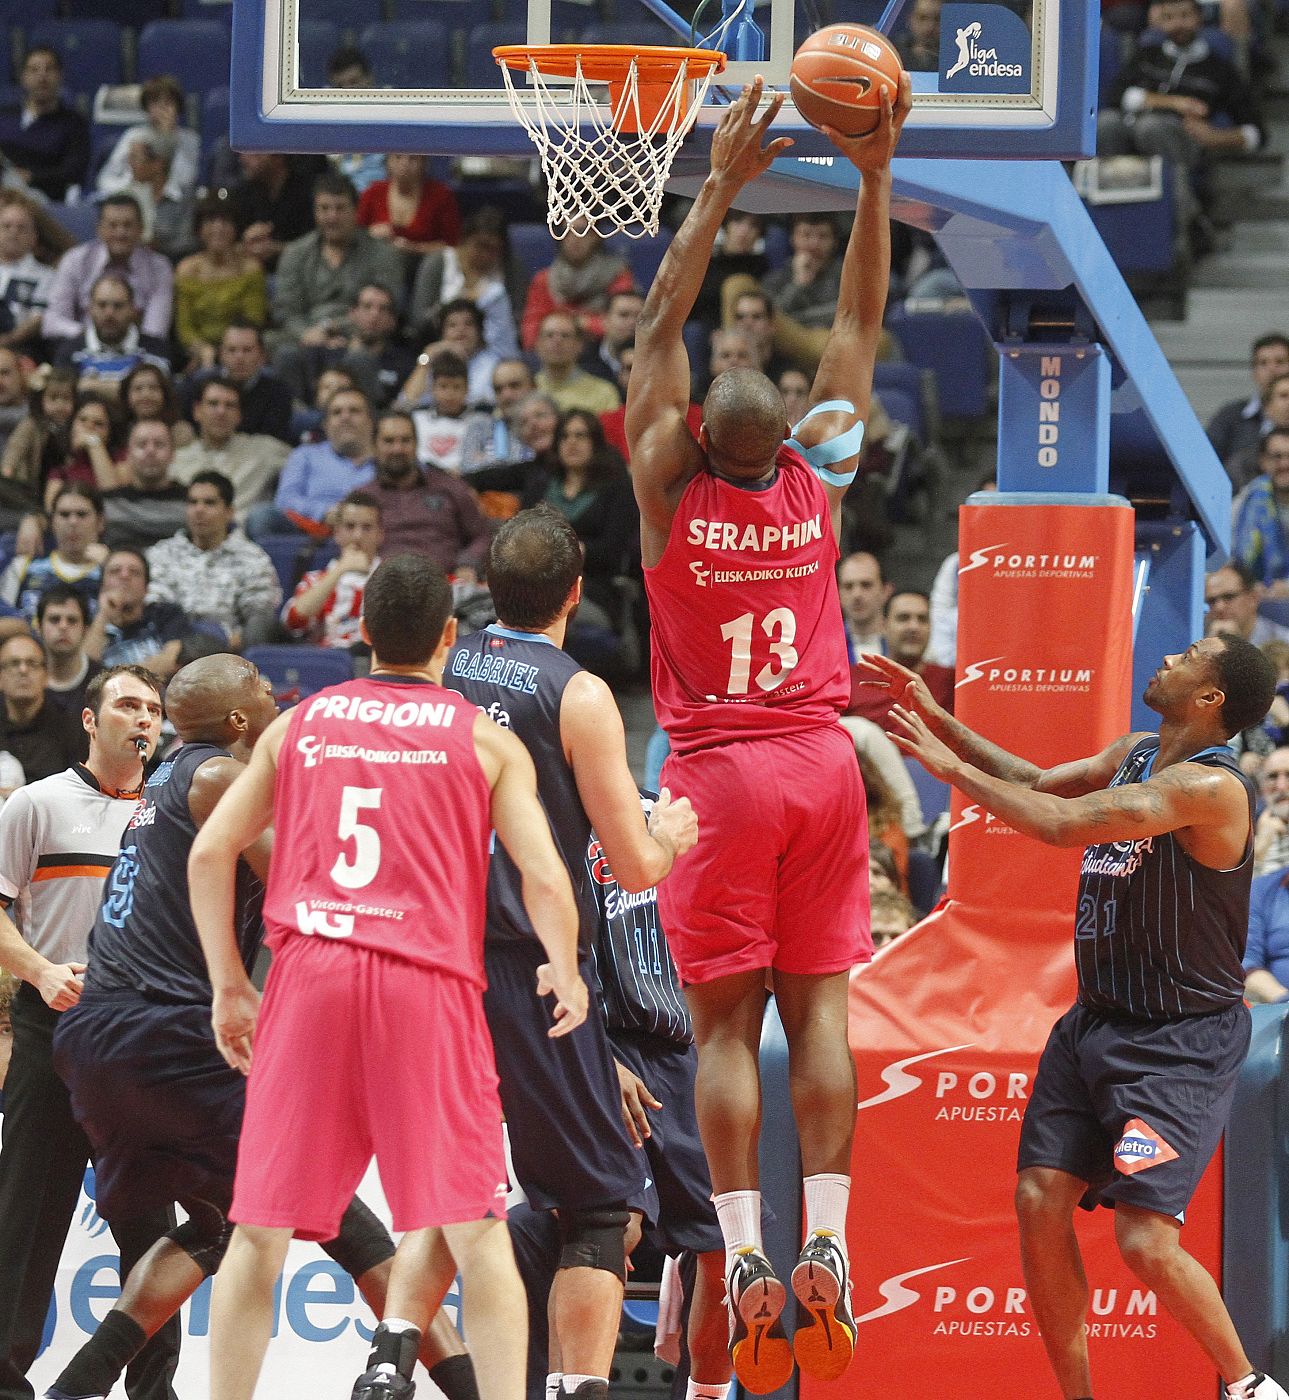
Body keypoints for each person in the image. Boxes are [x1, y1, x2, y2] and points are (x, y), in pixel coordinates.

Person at [624, 76, 910, 1391]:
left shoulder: (666, 493)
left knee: (725, 1035)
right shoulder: (817, 480)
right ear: (782, 437)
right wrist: (872, 174)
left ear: (692, 438)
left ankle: (743, 1251)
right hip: (821, 766)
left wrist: (718, 188)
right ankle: (829, 1238)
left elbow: (656, 326)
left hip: (717, 779)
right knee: (823, 1016)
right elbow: (859, 318)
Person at [188, 553, 590, 1400]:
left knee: (257, 1231)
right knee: (476, 1229)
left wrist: (229, 983)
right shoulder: (485, 740)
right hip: (425, 984)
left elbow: (211, 851)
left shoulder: (296, 725)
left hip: (309, 977)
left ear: (362, 630)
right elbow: (545, 876)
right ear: (448, 636)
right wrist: (563, 966)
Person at [46, 654, 481, 1400]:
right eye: (260, 684)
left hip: (102, 1043)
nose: (277, 694)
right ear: (240, 719)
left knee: (215, 1225)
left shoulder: (169, 782)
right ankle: (451, 1385)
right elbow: (316, 889)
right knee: (343, 1216)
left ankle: (69, 1391)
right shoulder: (219, 778)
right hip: (165, 1038)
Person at [875, 634, 1289, 1400]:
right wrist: (941, 719)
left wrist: (952, 773)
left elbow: (1064, 826)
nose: (1169, 658)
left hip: (1176, 1043)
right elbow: (1038, 783)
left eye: (1190, 656)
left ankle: (1247, 1384)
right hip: (1093, 1023)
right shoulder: (1136, 751)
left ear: (1210, 699)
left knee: (1143, 1241)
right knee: (1037, 1198)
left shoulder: (1211, 790)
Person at [443, 507, 698, 1400]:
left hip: (434, 958)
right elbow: (632, 865)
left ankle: (398, 1353)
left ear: (488, 588)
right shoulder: (577, 694)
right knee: (599, 1206)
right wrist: (670, 836)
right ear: (577, 594)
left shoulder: (448, 662)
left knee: (457, 1197)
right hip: (530, 966)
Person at [0, 665, 179, 1400]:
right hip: (53, 1027)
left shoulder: (173, 815)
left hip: (139, 1039)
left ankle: (154, 1391)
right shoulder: (35, 804)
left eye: (154, 710)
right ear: (89, 719)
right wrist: (41, 972)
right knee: (26, 1221)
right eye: (127, 706)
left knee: (153, 1228)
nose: (143, 720)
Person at [270, 172, 404, 353]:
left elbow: (387, 310)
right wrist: (307, 334)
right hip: (306, 337)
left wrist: (331, 328)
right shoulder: (295, 253)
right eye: (324, 208)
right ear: (315, 212)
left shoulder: (383, 253)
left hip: (364, 337)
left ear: (356, 211)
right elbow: (286, 312)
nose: (332, 217)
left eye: (340, 208)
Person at [146, 471, 281, 649]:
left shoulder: (253, 557)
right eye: (193, 502)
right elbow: (155, 608)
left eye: (209, 503)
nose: (199, 510)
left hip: (231, 652)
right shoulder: (161, 554)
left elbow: (259, 619)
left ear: (229, 512)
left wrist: (220, 647)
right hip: (170, 648)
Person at [366, 410, 491, 576]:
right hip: (383, 584)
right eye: (389, 441)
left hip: (447, 583)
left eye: (405, 440)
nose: (398, 448)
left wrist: (468, 564)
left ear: (416, 444)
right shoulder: (364, 498)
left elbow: (482, 536)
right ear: (374, 446)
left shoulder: (451, 487)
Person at [42, 195, 173, 346]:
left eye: (128, 225)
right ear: (99, 229)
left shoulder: (159, 268)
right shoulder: (75, 260)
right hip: (81, 346)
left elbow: (155, 331)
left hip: (138, 350)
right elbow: (52, 323)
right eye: (113, 225)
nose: (120, 233)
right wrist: (94, 338)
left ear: (141, 229)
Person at [251, 385, 375, 538]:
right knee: (262, 517)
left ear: (370, 421)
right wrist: (324, 511)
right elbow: (285, 500)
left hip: (373, 532)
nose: (345, 417)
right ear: (326, 425)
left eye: (354, 411)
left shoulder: (387, 459)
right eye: (337, 412)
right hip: (311, 533)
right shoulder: (305, 455)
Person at [170, 378, 288, 521]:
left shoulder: (266, 449)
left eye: (230, 405)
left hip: (245, 531)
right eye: (213, 404)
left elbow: (308, 462)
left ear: (239, 415)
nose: (221, 412)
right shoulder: (175, 458)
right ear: (197, 411)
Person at [173, 199, 268, 372]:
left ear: (236, 228)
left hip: (241, 349)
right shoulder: (186, 270)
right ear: (199, 228)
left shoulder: (251, 269)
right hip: (198, 352)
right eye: (210, 221)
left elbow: (253, 319)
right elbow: (185, 328)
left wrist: (227, 351)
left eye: (226, 221)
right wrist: (203, 350)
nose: (218, 228)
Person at [282, 489, 382, 648]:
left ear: (380, 534)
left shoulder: (393, 579)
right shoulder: (315, 579)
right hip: (329, 657)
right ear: (337, 533)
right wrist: (341, 569)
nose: (357, 535)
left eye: (367, 527)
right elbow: (294, 621)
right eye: (350, 526)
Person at [845, 588, 954, 725]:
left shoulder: (951, 682)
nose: (914, 627)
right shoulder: (851, 681)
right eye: (903, 618)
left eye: (922, 619)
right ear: (883, 625)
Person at [51, 274, 172, 395]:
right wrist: (132, 389)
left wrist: (88, 385)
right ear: (90, 309)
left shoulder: (155, 349)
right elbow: (63, 395)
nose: (109, 313)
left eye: (118, 306)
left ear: (133, 310)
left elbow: (159, 395)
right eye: (102, 305)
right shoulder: (69, 351)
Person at [0, 482, 105, 621]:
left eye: (81, 514)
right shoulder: (23, 566)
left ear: (100, 522)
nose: (73, 522)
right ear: (52, 522)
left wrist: (108, 566)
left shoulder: (114, 573)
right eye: (64, 514)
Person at [520, 229, 635, 352]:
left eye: (582, 230)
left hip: (606, 352)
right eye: (567, 231)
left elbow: (623, 325)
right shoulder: (544, 279)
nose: (575, 238)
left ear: (596, 235)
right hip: (557, 353)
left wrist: (585, 323)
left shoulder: (617, 274)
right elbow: (530, 332)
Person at [96, 76, 200, 211]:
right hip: (133, 202)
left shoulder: (190, 139)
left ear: (178, 107)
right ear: (147, 107)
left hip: (173, 206)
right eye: (155, 102)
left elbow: (186, 181)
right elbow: (104, 180)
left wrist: (168, 136)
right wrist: (131, 188)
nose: (162, 108)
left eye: (168, 102)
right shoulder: (134, 136)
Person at [84, 548, 191, 678]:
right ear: (102, 585)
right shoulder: (85, 619)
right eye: (115, 571)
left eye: (134, 572)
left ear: (146, 588)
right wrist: (103, 616)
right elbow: (84, 671)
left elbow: (169, 661)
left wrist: (114, 679)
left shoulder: (167, 614)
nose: (124, 576)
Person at [0, 47, 89, 202]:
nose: (42, 76)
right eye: (34, 70)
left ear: (60, 75)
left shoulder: (73, 123)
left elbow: (74, 171)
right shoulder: (5, 116)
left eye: (49, 69)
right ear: (23, 77)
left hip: (45, 201)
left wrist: (32, 177)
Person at [183, 321, 293, 445]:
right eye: (232, 350)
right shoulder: (197, 386)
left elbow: (273, 441)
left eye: (247, 350)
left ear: (262, 355)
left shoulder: (278, 392)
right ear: (221, 354)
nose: (239, 357)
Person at [1206, 333, 1289, 488]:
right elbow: (1207, 462)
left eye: (1280, 361)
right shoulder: (1230, 416)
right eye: (1263, 363)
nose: (1272, 369)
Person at [0, 632, 85, 783]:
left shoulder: (72, 728)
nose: (23, 670)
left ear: (46, 675)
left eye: (32, 663)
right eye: (14, 663)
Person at [101, 419, 189, 552]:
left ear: (173, 454)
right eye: (141, 445)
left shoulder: (192, 502)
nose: (150, 451)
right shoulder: (107, 503)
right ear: (128, 454)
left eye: (159, 445)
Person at [357, 152, 461, 258]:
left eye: (413, 158)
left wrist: (414, 248)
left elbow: (453, 246)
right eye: (398, 157)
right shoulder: (372, 192)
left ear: (424, 163)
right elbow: (355, 235)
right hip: (378, 261)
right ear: (387, 161)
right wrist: (370, 233)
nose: (405, 163)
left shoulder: (442, 195)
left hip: (425, 263)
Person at [533, 312, 621, 417]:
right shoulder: (526, 388)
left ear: (579, 345)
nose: (557, 341)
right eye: (549, 335)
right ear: (537, 343)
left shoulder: (603, 392)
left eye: (565, 335)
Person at [1233, 428, 1289, 589]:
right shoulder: (1248, 499)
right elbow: (1237, 562)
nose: (1284, 464)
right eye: (1277, 456)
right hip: (1259, 594)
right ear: (1263, 461)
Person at [0, 195, 56, 355]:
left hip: (19, 349)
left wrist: (7, 341)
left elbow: (37, 319)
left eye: (21, 228)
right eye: (6, 226)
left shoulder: (46, 276)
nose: (13, 232)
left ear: (34, 237)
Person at [37, 584, 102, 717]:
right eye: (54, 619)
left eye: (72, 620)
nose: (63, 626)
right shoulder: (23, 677)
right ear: (39, 627)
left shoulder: (104, 683)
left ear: (85, 629)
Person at [1205, 561, 1289, 645]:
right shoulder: (1202, 639)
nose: (1219, 607)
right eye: (1211, 600)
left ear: (1253, 598)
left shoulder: (1284, 643)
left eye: (1228, 597)